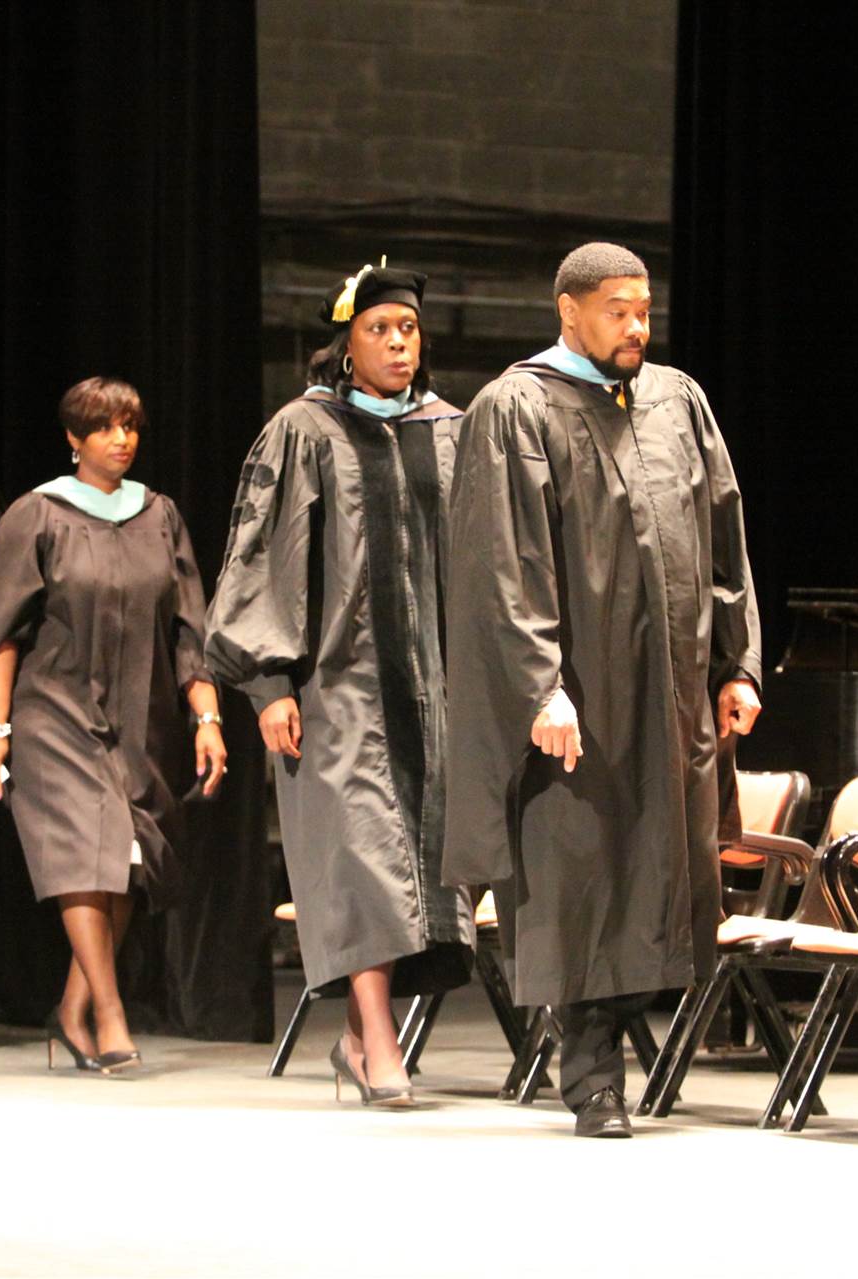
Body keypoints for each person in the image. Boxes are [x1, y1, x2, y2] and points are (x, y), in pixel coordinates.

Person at [443, 242, 763, 1137]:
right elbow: (502, 567)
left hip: (671, 691)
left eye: (644, 308)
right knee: (581, 869)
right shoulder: (517, 407)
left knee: (661, 869)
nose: (636, 326)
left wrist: (737, 663)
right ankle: (592, 1078)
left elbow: (724, 533)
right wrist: (540, 686)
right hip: (580, 696)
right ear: (568, 311)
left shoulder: (676, 399)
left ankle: (610, 1047)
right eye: (617, 310)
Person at [207, 262, 475, 1107]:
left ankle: (360, 1040)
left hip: (435, 690)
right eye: (380, 330)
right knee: (362, 855)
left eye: (409, 330)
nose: (399, 343)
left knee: (420, 866)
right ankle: (381, 1043)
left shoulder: (452, 429)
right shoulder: (305, 429)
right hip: (336, 684)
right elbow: (261, 558)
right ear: (346, 343)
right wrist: (269, 682)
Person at [0, 376, 227, 1074]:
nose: (122, 439)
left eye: (130, 425)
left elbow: (192, 628)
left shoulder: (158, 515)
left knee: (126, 860)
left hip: (140, 714)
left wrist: (208, 716)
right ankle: (110, 1013)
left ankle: (71, 1010)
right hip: (53, 709)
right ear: (74, 438)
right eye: (104, 427)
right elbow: (0, 631)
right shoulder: (36, 515)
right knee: (82, 852)